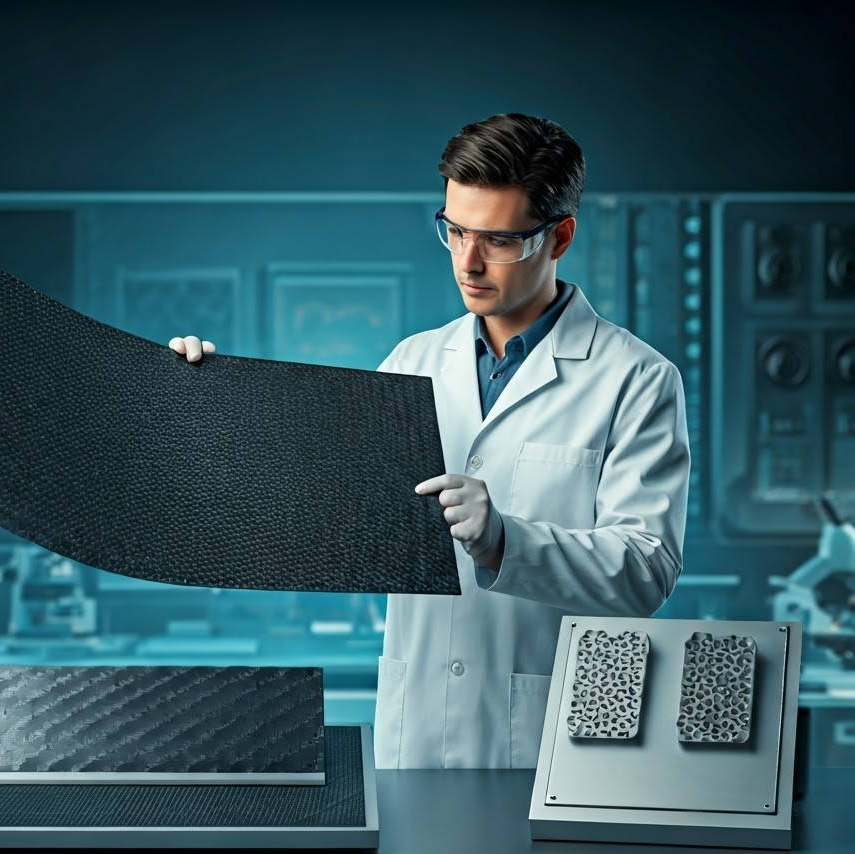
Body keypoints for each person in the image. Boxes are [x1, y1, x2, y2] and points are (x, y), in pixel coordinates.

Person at [169, 112, 690, 770]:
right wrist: (208, 404)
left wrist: (505, 539)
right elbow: (316, 507)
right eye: (455, 231)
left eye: (498, 241)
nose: (468, 263)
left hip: (546, 744)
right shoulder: (411, 362)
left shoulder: (635, 380)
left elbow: (645, 571)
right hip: (414, 739)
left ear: (559, 237)